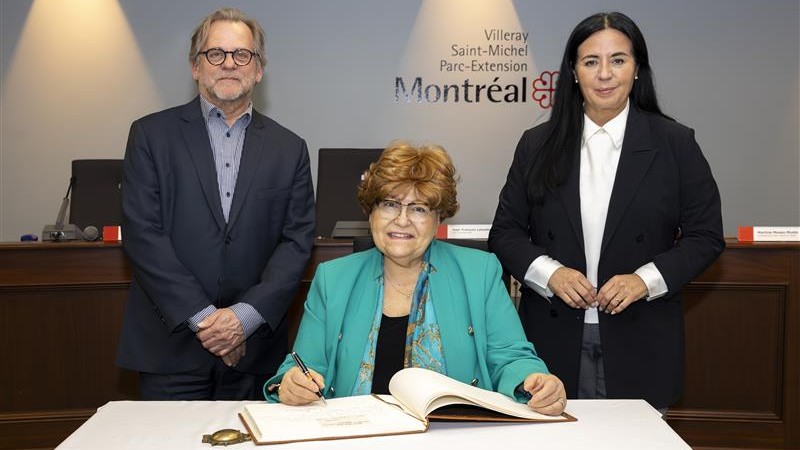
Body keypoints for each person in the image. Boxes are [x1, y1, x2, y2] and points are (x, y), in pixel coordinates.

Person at [489, 11, 724, 410]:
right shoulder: (536, 144)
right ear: (573, 72)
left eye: (618, 60)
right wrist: (552, 273)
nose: (604, 74)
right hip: (551, 338)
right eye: (590, 61)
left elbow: (706, 237)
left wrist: (644, 281)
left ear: (637, 70)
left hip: (642, 337)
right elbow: (505, 233)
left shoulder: (675, 143)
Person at [263, 141, 567, 416]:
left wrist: (533, 380)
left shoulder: (480, 271)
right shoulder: (333, 278)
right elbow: (302, 365)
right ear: (370, 212)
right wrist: (290, 383)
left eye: (419, 208)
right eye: (389, 204)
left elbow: (511, 357)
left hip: (453, 436)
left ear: (439, 218)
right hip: (355, 437)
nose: (402, 220)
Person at [116, 7, 315, 400]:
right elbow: (143, 234)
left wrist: (242, 320)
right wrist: (210, 322)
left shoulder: (290, 149)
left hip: (255, 352)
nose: (228, 64)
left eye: (242, 55)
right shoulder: (150, 135)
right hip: (169, 349)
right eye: (215, 54)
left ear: (258, 69)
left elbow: (297, 242)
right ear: (195, 66)